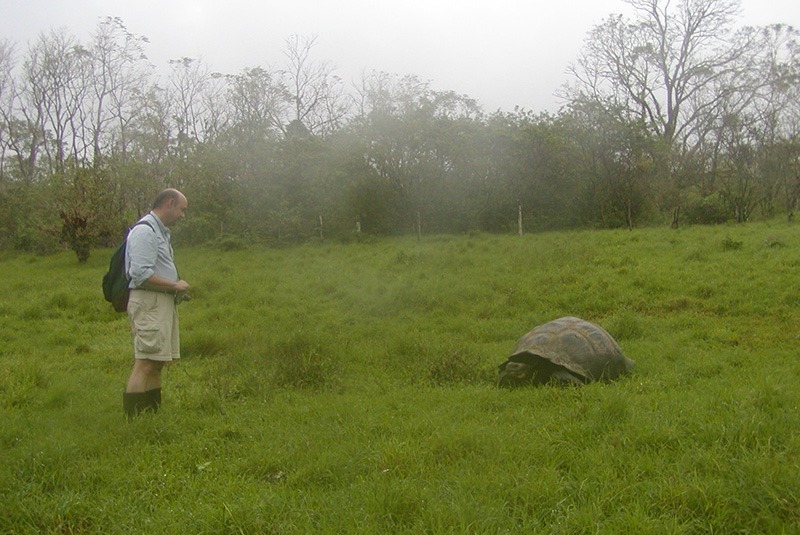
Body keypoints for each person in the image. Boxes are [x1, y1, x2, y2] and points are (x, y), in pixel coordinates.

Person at [122, 188, 191, 419]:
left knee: (158, 362)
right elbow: (140, 274)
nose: (183, 215)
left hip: (160, 302)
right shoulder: (145, 231)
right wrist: (174, 286)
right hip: (149, 302)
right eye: (182, 209)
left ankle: (151, 416)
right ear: (169, 203)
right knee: (144, 362)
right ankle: (133, 421)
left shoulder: (161, 232)